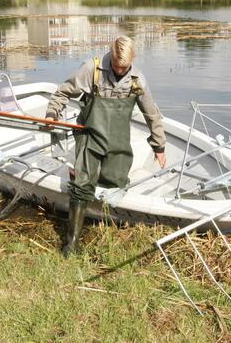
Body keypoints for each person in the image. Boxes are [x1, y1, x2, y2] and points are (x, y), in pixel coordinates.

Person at [45, 36, 166, 256]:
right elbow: (63, 92)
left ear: (132, 60)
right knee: (82, 187)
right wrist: (52, 114)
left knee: (116, 183)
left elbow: (151, 113)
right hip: (89, 136)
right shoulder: (93, 69)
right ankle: (71, 244)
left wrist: (159, 146)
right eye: (117, 66)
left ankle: (106, 228)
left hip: (117, 140)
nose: (120, 71)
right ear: (111, 55)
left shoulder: (138, 79)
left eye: (125, 67)